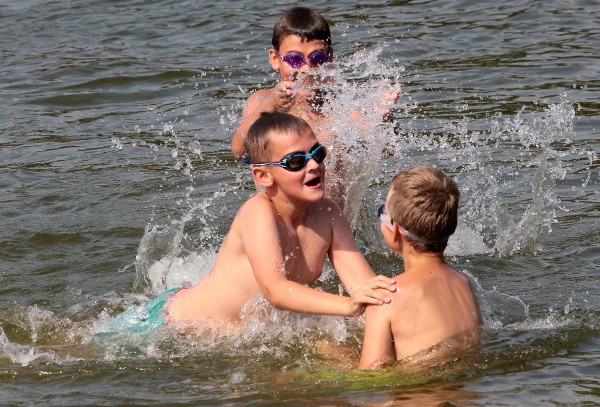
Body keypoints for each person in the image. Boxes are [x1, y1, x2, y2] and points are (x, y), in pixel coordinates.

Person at [99, 112, 397, 338]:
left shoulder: (328, 214)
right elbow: (276, 291)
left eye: (317, 153)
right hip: (169, 326)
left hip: (237, 332)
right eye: (295, 161)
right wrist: (346, 306)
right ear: (263, 176)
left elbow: (364, 287)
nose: (313, 165)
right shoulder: (258, 214)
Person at [230, 6, 399, 160]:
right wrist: (270, 106)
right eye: (294, 59)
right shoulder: (262, 101)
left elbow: (390, 149)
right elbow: (238, 151)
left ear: (329, 57)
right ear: (275, 59)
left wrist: (382, 119)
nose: (306, 69)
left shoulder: (340, 109)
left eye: (317, 58)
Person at [358, 166, 482, 370]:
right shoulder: (463, 283)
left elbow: (369, 378)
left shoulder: (386, 297)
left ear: (395, 229)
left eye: (382, 211)